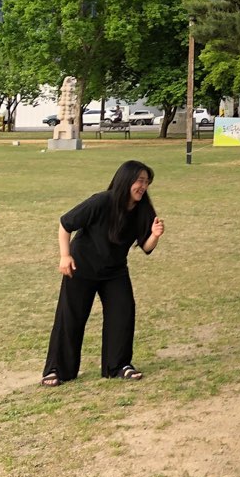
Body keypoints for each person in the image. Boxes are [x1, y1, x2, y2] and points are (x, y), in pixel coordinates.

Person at [41, 160, 165, 385]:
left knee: (122, 313)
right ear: (125, 180)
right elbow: (65, 224)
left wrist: (155, 235)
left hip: (114, 271)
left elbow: (146, 247)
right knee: (71, 318)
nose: (143, 186)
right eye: (139, 181)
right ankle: (58, 370)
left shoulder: (143, 209)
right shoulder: (101, 201)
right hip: (81, 267)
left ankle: (118, 366)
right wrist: (65, 256)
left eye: (147, 182)